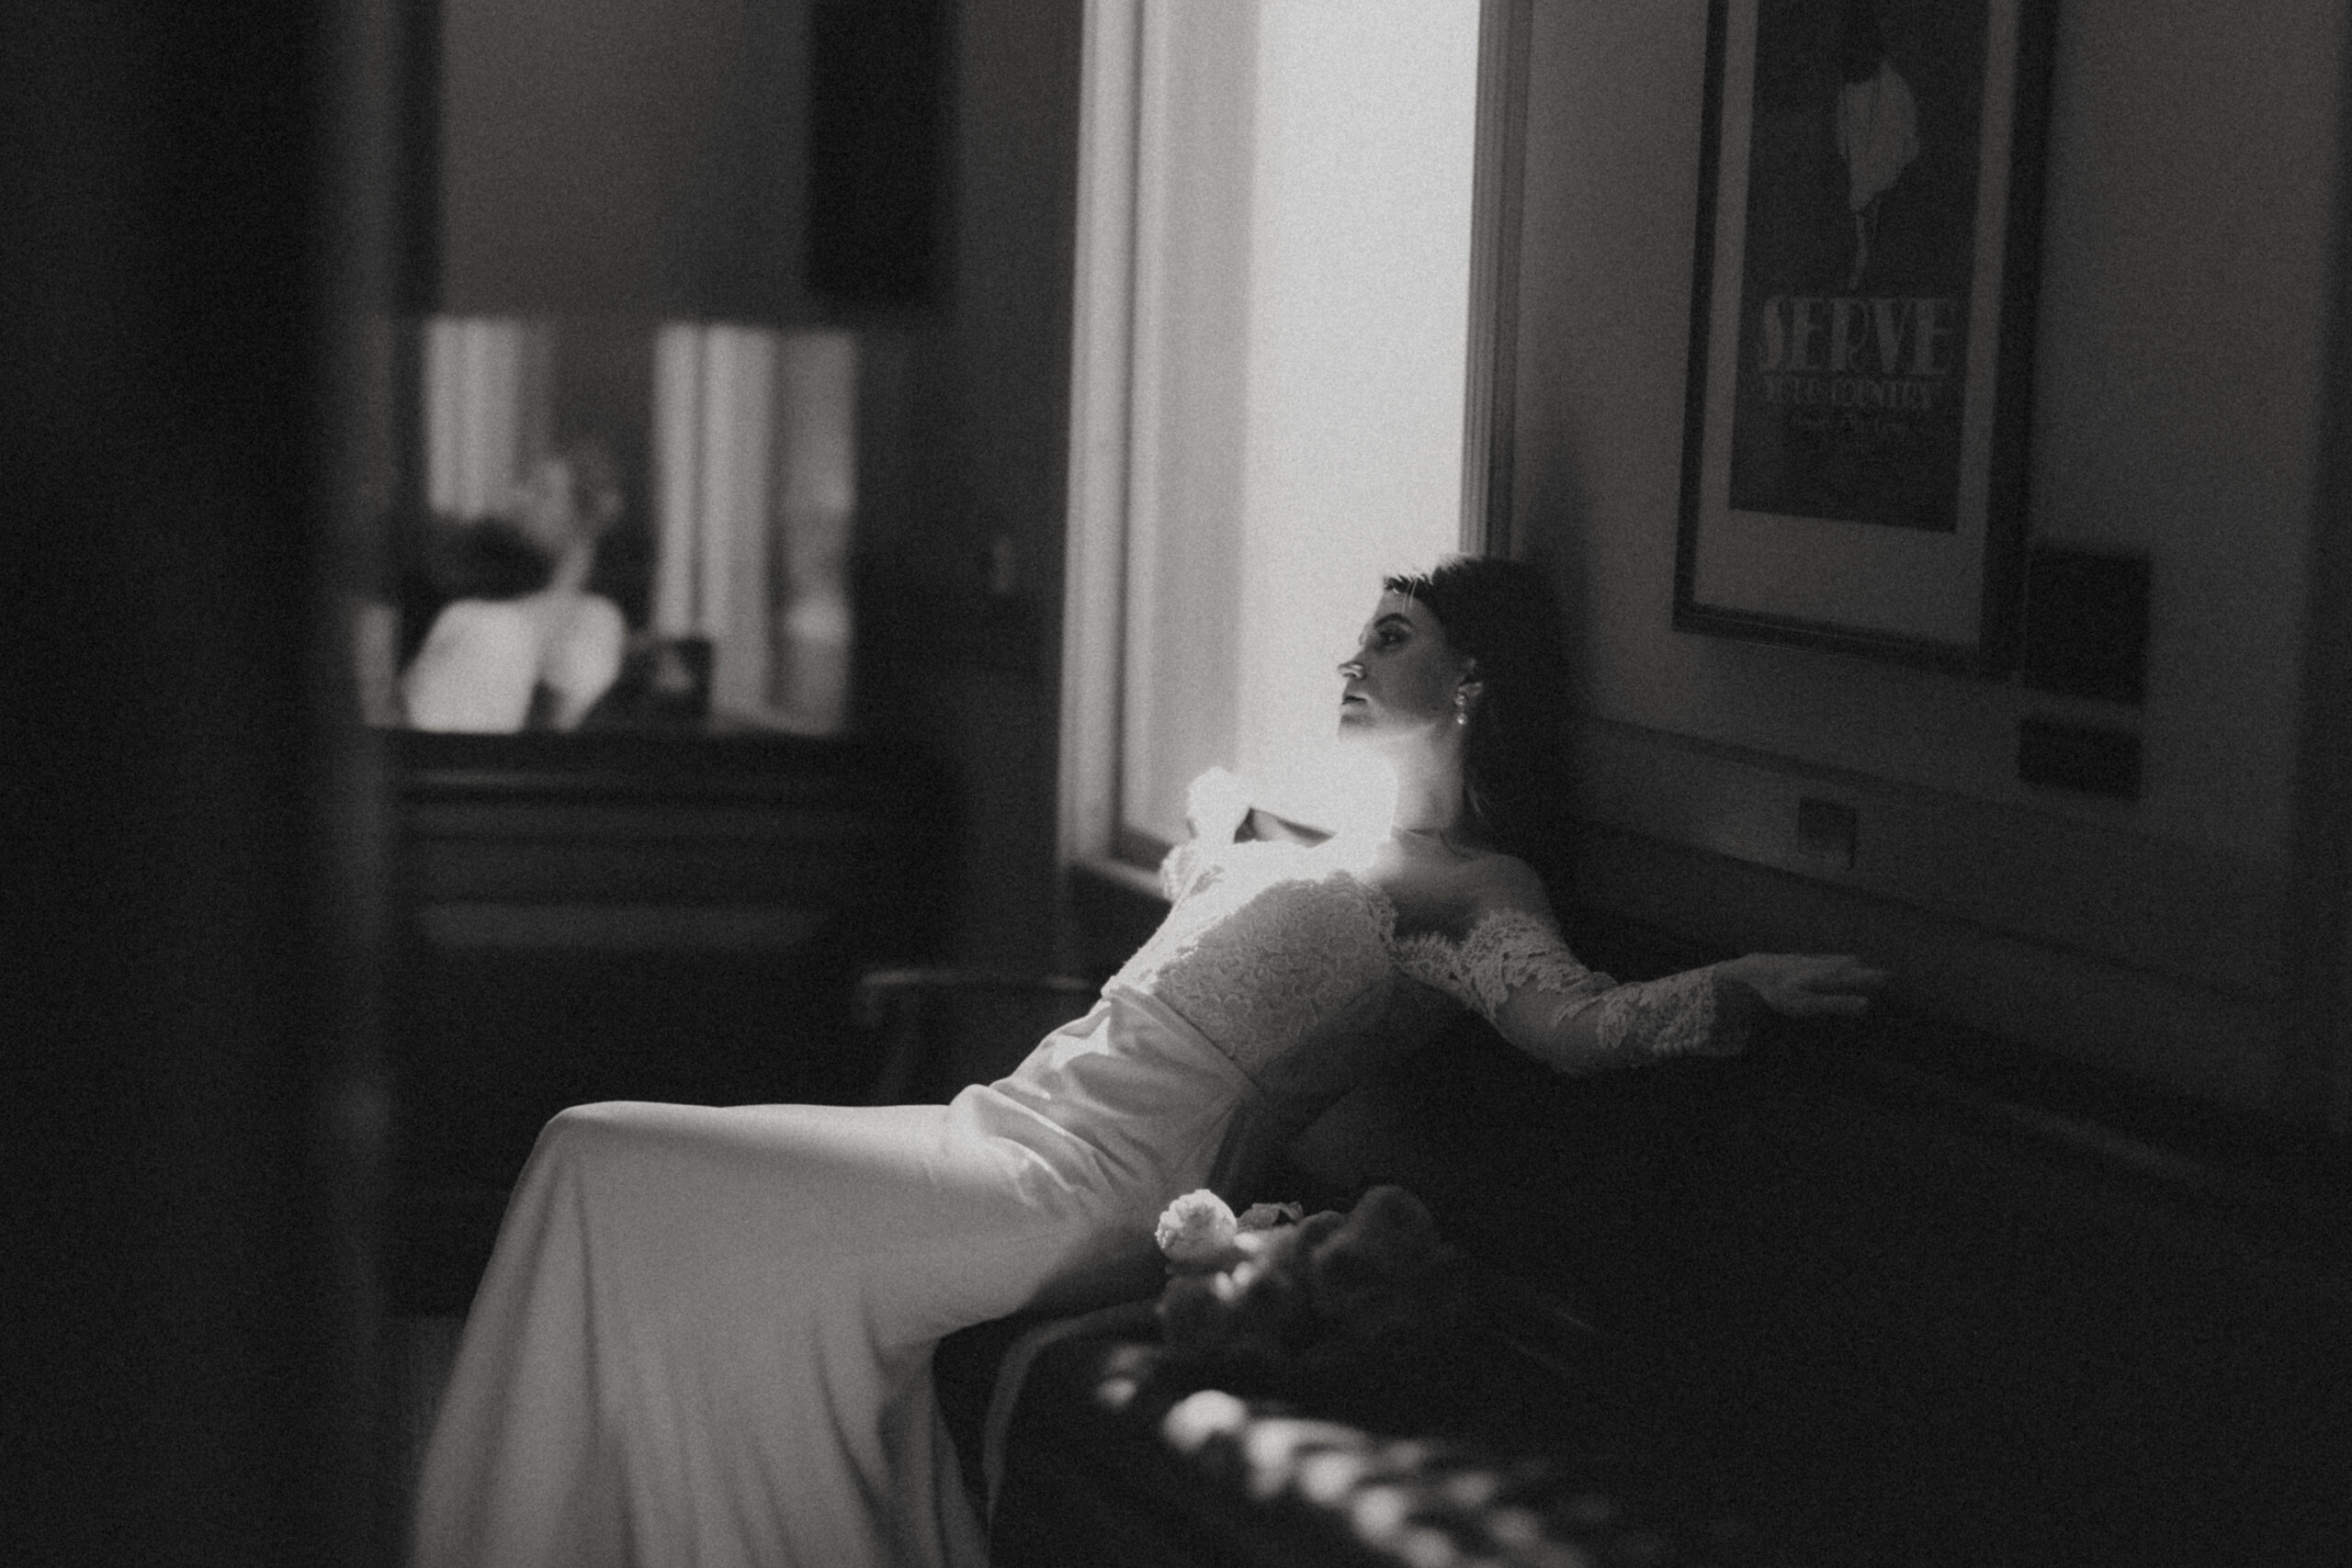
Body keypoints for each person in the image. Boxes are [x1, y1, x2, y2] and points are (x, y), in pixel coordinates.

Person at [408, 555, 1888, 1568]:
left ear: (1477, 679)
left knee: (601, 1149)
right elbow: (1225, 945)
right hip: (1007, 1117)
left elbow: (1573, 1024)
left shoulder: (1475, 888)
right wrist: (1218, 849)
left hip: (1084, 1186)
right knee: (605, 1177)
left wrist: (1732, 988)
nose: (1351, 657)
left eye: (1390, 637)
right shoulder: (1339, 842)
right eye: (1361, 633)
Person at [399, 442, 629, 732]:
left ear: (580, 520)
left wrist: (579, 552)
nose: (520, 498)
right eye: (526, 486)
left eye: (543, 492)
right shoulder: (469, 579)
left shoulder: (597, 616)